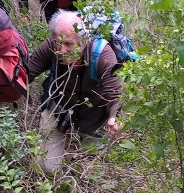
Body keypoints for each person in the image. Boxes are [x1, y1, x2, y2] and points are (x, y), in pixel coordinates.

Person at [27, 10, 122, 174]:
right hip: (58, 111)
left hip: (94, 120)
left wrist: (115, 118)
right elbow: (27, 73)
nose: (61, 50)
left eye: (69, 44)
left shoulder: (102, 54)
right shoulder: (51, 46)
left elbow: (115, 92)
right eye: (58, 42)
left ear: (84, 40)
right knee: (45, 168)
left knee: (94, 172)